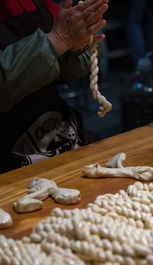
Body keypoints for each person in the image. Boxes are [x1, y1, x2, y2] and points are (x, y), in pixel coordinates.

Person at [0, 0, 108, 173]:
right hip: (11, 162)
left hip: (63, 138)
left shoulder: (36, 4)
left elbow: (72, 71)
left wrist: (78, 45)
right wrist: (57, 39)